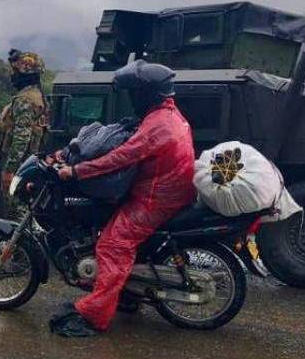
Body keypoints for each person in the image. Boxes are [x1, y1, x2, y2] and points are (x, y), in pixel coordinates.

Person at [48, 60, 197, 338]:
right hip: (163, 187)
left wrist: (77, 170)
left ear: (147, 93)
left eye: (134, 93)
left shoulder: (159, 126)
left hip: (156, 198)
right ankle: (128, 295)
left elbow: (121, 157)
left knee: (112, 245)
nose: (131, 98)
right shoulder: (163, 115)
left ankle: (95, 315)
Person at [0, 49, 49, 220]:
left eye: (16, 71)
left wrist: (10, 170)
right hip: (28, 160)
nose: (13, 75)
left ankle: (20, 243)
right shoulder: (34, 95)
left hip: (19, 162)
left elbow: (22, 137)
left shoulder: (26, 99)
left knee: (16, 206)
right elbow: (14, 123)